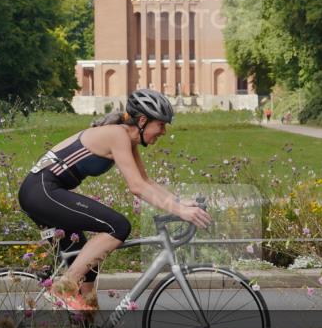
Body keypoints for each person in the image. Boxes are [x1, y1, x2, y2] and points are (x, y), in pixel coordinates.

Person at [17, 89, 212, 311]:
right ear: (142, 120)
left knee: (88, 272)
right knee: (117, 226)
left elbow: (146, 181)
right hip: (40, 191)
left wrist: (179, 202)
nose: (164, 131)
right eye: (161, 124)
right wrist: (179, 211)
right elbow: (136, 187)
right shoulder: (116, 134)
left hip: (46, 192)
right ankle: (63, 288)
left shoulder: (128, 139)